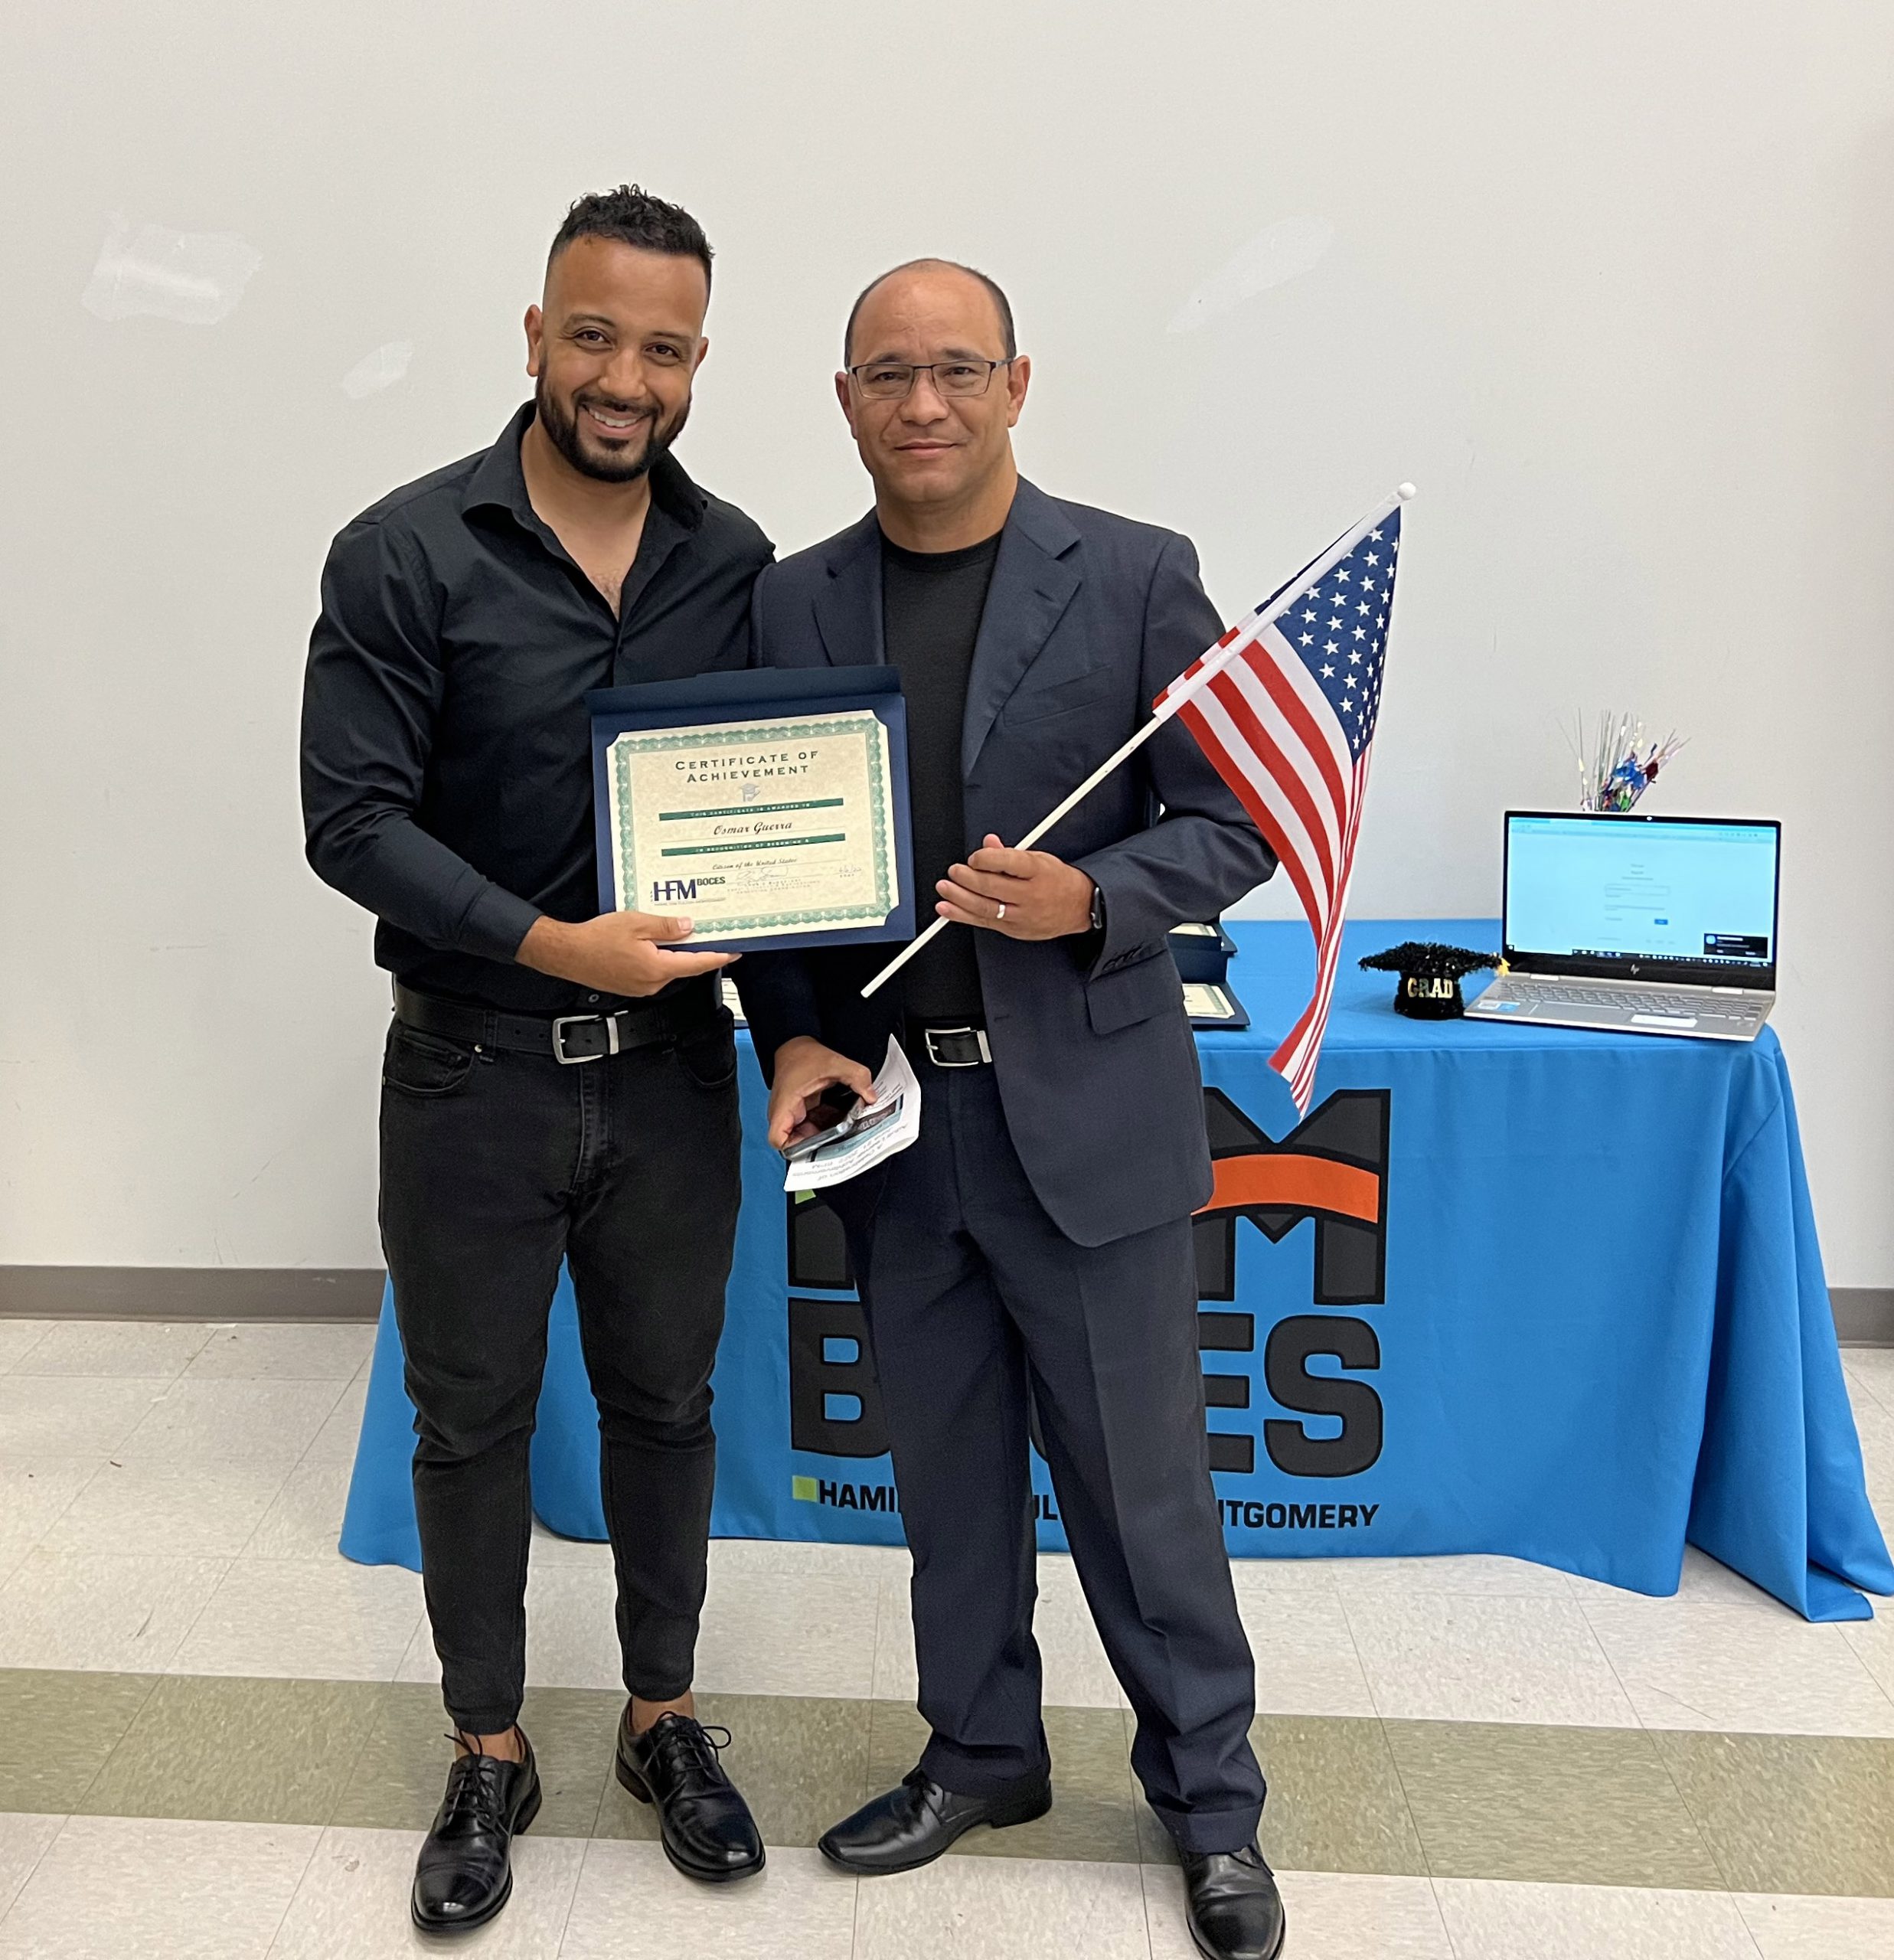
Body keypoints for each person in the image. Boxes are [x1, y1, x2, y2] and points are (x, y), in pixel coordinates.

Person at [736, 259, 1288, 1960]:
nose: (923, 402)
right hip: (898, 1129)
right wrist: (785, 1035)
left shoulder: (1131, 573)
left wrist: (1093, 900)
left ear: (1017, 383)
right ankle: (981, 1750)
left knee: (1142, 1492)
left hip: (1088, 1121)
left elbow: (1235, 821)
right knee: (950, 1477)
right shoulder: (790, 603)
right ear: (843, 399)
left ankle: (1211, 1804)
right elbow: (762, 873)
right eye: (888, 374)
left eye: (955, 369)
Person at [301, 186, 770, 1934]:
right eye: (594, 333)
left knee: (665, 1406)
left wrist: (803, 1018)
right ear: (534, 333)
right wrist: (551, 940)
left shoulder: (735, 561)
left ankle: (663, 1716)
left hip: (670, 1078)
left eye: (660, 346)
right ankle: (486, 1742)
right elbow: (347, 819)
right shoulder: (405, 550)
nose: (622, 374)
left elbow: (785, 827)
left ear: (697, 362)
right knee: (470, 1420)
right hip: (468, 1074)